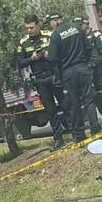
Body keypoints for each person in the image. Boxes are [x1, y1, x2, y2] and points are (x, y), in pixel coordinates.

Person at [16, 14, 65, 149]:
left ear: (38, 25)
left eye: (31, 27)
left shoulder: (49, 36)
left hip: (53, 75)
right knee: (50, 110)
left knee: (65, 103)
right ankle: (58, 138)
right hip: (40, 79)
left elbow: (61, 53)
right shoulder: (23, 42)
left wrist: (48, 55)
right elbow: (19, 63)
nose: (29, 31)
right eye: (27, 28)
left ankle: (76, 131)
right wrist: (31, 59)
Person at [47, 16, 98, 142]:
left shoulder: (56, 35)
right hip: (82, 68)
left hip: (68, 73)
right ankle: (95, 128)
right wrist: (88, 64)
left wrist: (58, 76)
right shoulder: (76, 28)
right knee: (89, 101)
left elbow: (53, 59)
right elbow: (88, 47)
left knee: (74, 104)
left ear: (55, 22)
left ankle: (79, 134)